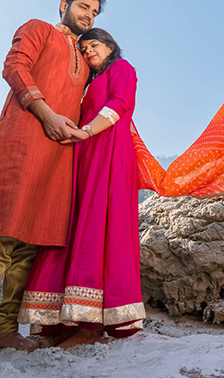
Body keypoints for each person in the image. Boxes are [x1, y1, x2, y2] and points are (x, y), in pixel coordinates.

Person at [0, 0, 105, 369]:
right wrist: (46, 115)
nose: (89, 16)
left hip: (58, 155)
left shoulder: (86, 60)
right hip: (22, 139)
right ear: (64, 5)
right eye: (83, 7)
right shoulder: (38, 29)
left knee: (31, 244)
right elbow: (14, 67)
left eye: (95, 12)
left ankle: (5, 329)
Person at [18, 28, 144, 348]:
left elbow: (120, 103)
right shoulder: (90, 82)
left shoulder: (122, 68)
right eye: (84, 49)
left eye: (94, 45)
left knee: (100, 229)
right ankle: (69, 321)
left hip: (110, 155)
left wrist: (87, 132)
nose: (89, 52)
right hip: (86, 157)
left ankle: (90, 328)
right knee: (75, 228)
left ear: (110, 46)